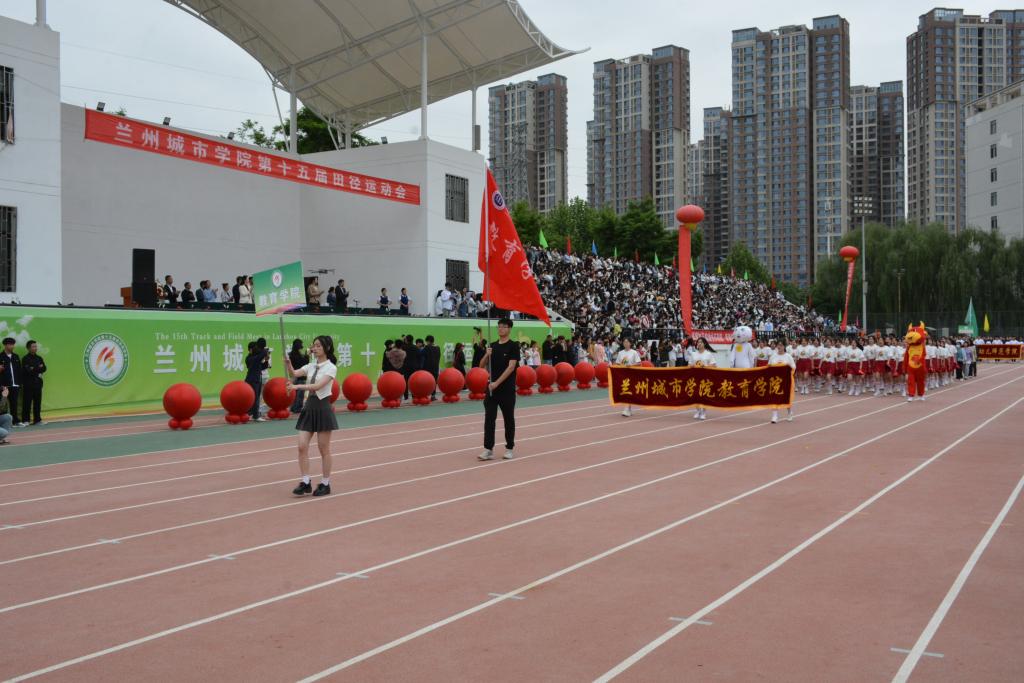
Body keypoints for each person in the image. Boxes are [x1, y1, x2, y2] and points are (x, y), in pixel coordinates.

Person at [285, 335, 339, 497]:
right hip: (308, 409)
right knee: (301, 446)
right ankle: (305, 481)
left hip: (323, 409)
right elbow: (294, 373)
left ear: (326, 348)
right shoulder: (310, 365)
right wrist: (288, 364)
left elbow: (317, 386)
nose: (314, 348)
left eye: (318, 346)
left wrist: (296, 387)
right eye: (314, 346)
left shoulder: (330, 368)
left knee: (323, 449)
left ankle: (325, 483)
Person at [479, 318, 519, 461]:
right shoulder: (492, 345)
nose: (500, 329)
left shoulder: (513, 346)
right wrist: (487, 354)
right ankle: (488, 449)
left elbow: (511, 367)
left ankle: (509, 448)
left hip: (506, 389)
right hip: (491, 390)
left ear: (509, 329)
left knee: (508, 419)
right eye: (499, 326)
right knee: (489, 419)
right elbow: (481, 365)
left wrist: (497, 383)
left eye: (504, 326)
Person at [767, 340, 796, 424]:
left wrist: (787, 370)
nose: (779, 347)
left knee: (786, 398)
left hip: (785, 380)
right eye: (778, 345)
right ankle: (774, 416)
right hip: (775, 381)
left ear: (784, 346)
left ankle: (789, 412)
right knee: (774, 397)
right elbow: (768, 366)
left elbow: (793, 367)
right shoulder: (773, 356)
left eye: (781, 345)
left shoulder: (788, 356)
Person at [689, 337, 717, 420]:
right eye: (698, 342)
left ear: (704, 344)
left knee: (704, 394)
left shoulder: (708, 354)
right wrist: (692, 366)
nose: (699, 343)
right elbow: (689, 364)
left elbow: (714, 365)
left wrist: (705, 366)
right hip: (695, 377)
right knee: (695, 394)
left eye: (701, 342)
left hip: (705, 377)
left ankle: (703, 412)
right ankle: (698, 411)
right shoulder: (693, 354)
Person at [614, 337, 642, 417]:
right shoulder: (620, 353)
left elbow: (639, 363)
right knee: (624, 391)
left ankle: (626, 408)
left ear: (630, 343)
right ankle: (628, 409)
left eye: (627, 342)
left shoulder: (634, 352)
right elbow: (617, 363)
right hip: (623, 375)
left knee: (629, 391)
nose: (625, 343)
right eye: (624, 342)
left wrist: (631, 365)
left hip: (631, 374)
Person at [0, 337, 24, 427]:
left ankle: (15, 421)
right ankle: (5, 423)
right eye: (10, 344)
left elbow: (19, 370)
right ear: (5, 345)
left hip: (15, 384)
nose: (12, 346)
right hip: (4, 386)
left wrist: (19, 383)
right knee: (3, 405)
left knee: (14, 404)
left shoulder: (16, 356)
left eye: (13, 344)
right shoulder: (0, 356)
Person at [21, 340, 45, 425]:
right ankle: (26, 420)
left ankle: (37, 420)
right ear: (28, 348)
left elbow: (44, 368)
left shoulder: (39, 358)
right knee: (27, 402)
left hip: (38, 384)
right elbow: (28, 370)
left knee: (37, 403)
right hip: (28, 384)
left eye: (36, 346)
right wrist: (38, 367)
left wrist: (34, 368)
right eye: (33, 346)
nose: (35, 348)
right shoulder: (25, 358)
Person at [244, 340, 269, 422]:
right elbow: (259, 357)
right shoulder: (249, 358)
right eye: (255, 348)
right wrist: (264, 350)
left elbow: (263, 367)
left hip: (257, 379)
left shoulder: (255, 358)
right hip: (252, 380)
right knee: (254, 398)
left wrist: (266, 360)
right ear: (251, 349)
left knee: (256, 397)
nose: (257, 349)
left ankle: (252, 414)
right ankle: (255, 416)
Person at [288, 339, 309, 414]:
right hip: (300, 376)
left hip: (293, 376)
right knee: (300, 394)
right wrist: (307, 356)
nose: (302, 345)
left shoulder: (291, 354)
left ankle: (293, 408)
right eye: (301, 344)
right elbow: (304, 363)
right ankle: (298, 408)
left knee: (294, 393)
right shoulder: (298, 355)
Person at [423, 335, 441, 400]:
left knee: (426, 382)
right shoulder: (438, 347)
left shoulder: (427, 347)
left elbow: (421, 353)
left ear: (428, 341)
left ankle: (425, 395)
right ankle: (433, 396)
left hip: (427, 368)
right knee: (434, 382)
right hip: (435, 367)